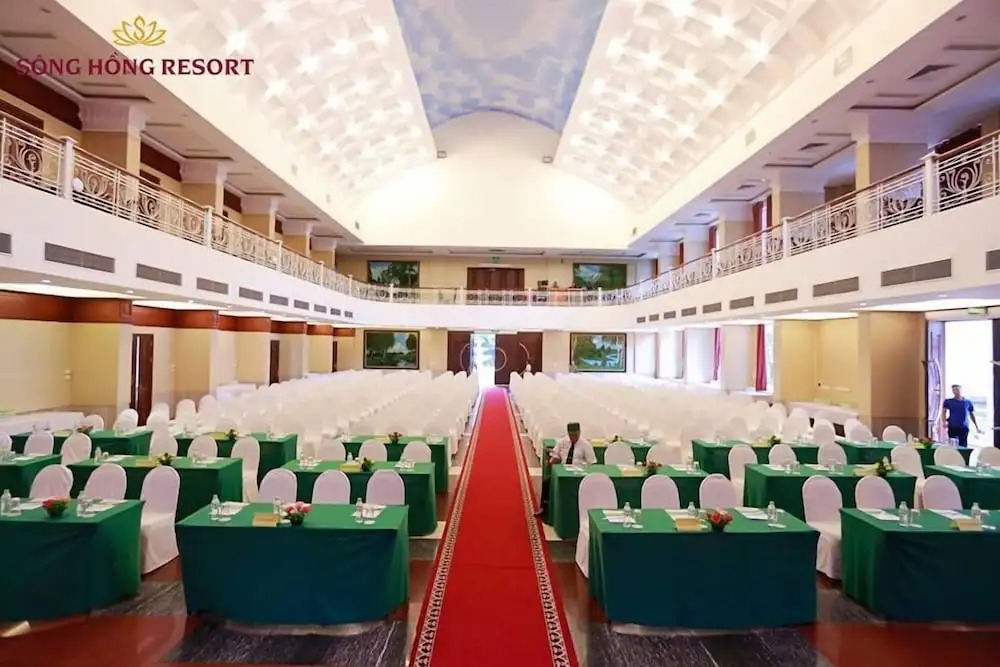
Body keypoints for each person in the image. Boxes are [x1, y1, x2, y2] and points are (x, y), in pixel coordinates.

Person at [535, 422, 596, 518]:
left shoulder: (586, 445)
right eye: (571, 435)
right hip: (563, 471)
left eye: (575, 435)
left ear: (579, 432)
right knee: (547, 481)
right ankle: (544, 508)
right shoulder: (562, 442)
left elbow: (592, 463)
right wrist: (551, 461)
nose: (573, 438)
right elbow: (556, 456)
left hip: (579, 473)